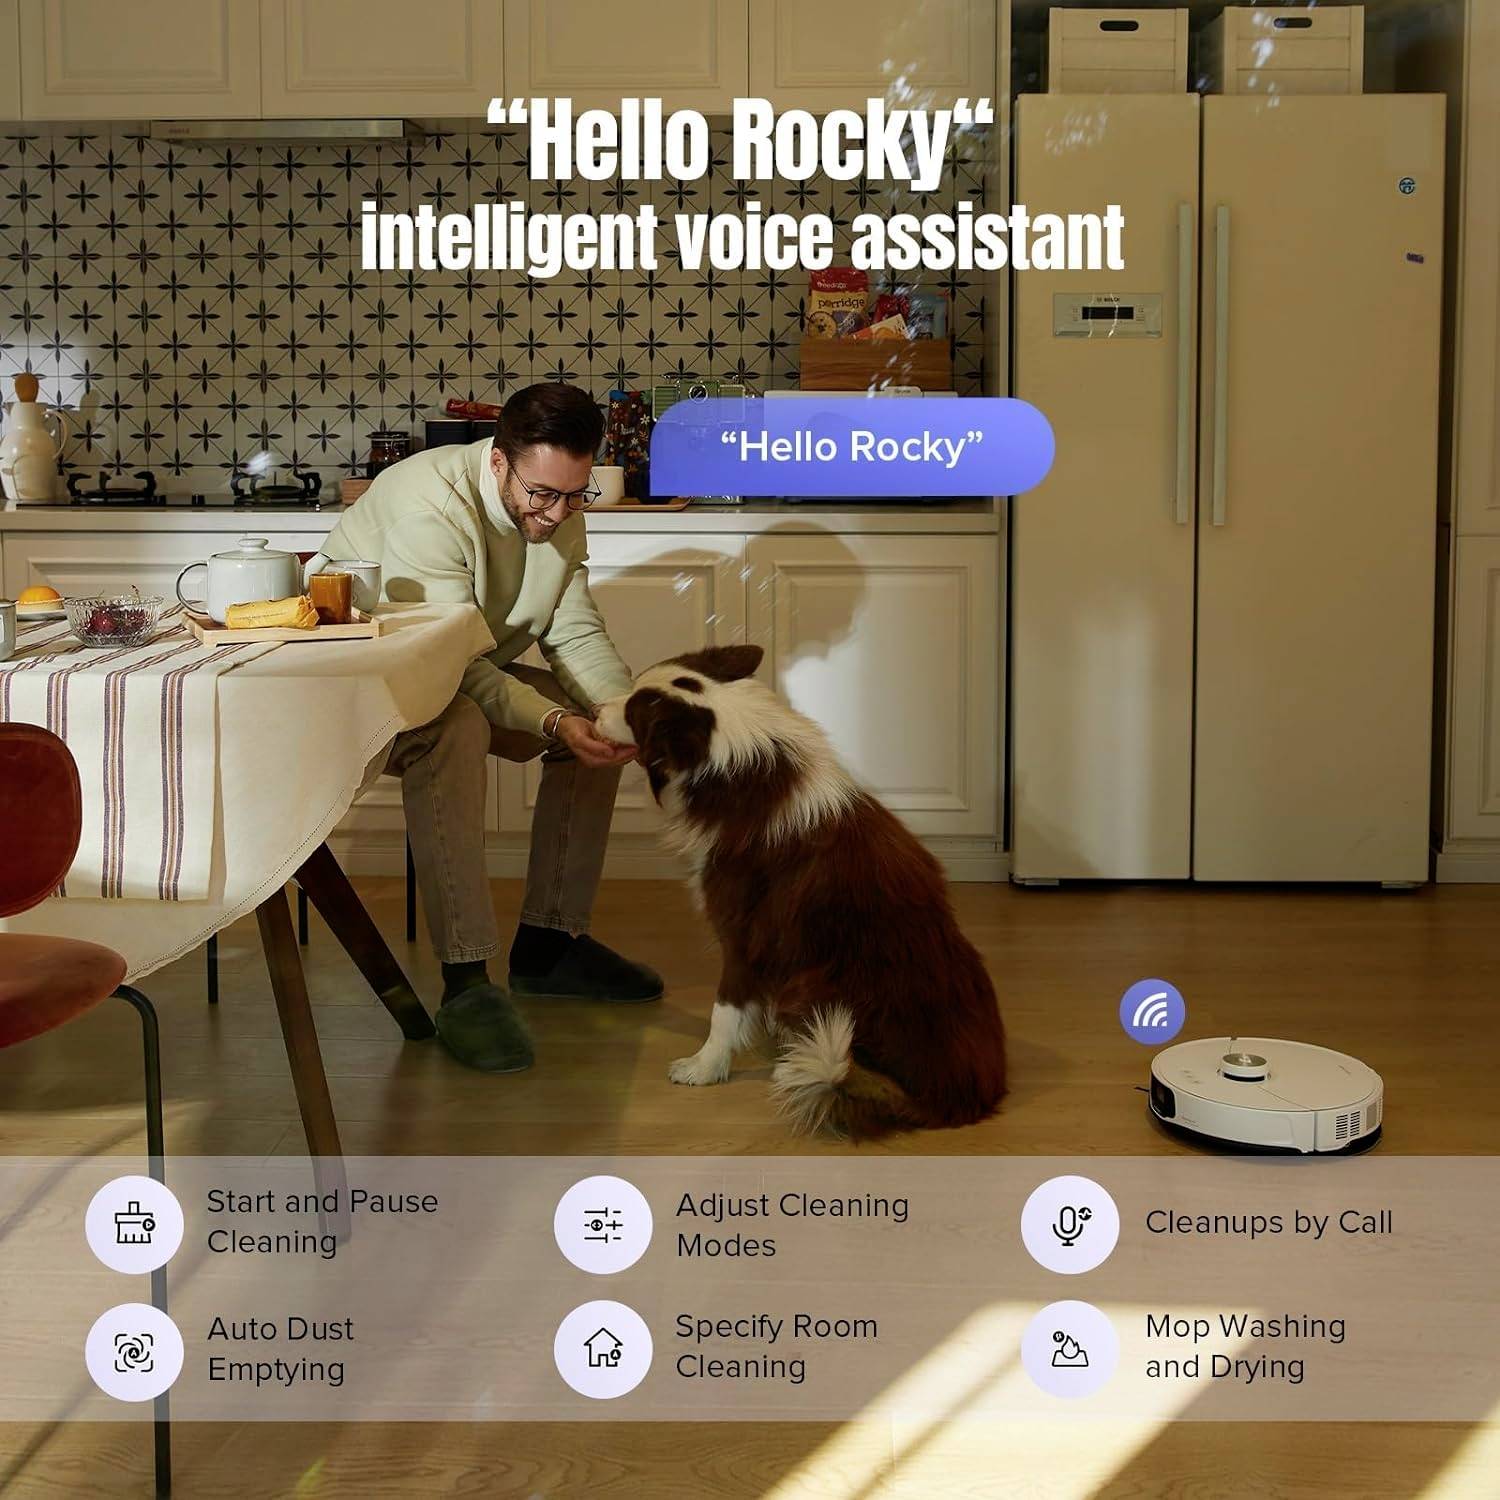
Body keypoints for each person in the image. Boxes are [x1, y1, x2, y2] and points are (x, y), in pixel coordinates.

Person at [320, 383, 660, 1073]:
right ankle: (467, 982)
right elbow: (449, 666)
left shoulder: (556, 502)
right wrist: (555, 719)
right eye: (543, 495)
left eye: (576, 494)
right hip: (367, 685)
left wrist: (625, 714)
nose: (558, 513)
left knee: (602, 726)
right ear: (499, 463)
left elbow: (572, 628)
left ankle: (550, 946)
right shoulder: (428, 508)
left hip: (462, 673)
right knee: (460, 728)